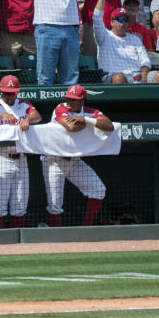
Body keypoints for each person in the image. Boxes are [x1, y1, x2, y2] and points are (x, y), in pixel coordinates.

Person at [43, 85, 112, 227]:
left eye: (73, 100)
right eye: (68, 98)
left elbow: (109, 125)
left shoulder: (88, 112)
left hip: (74, 161)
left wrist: (86, 120)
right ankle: (54, 239)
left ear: (82, 101)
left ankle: (87, 229)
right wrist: (88, 123)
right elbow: (71, 128)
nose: (69, 102)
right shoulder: (60, 108)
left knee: (99, 190)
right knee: (55, 205)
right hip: (53, 161)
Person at [0, 75, 41, 228]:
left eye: (13, 93)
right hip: (2, 158)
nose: (9, 96)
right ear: (1, 92)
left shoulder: (24, 104)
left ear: (17, 92)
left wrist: (27, 120)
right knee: (0, 205)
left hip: (22, 158)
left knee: (20, 203)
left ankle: (19, 245)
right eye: (6, 93)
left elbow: (37, 116)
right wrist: (1, 116)